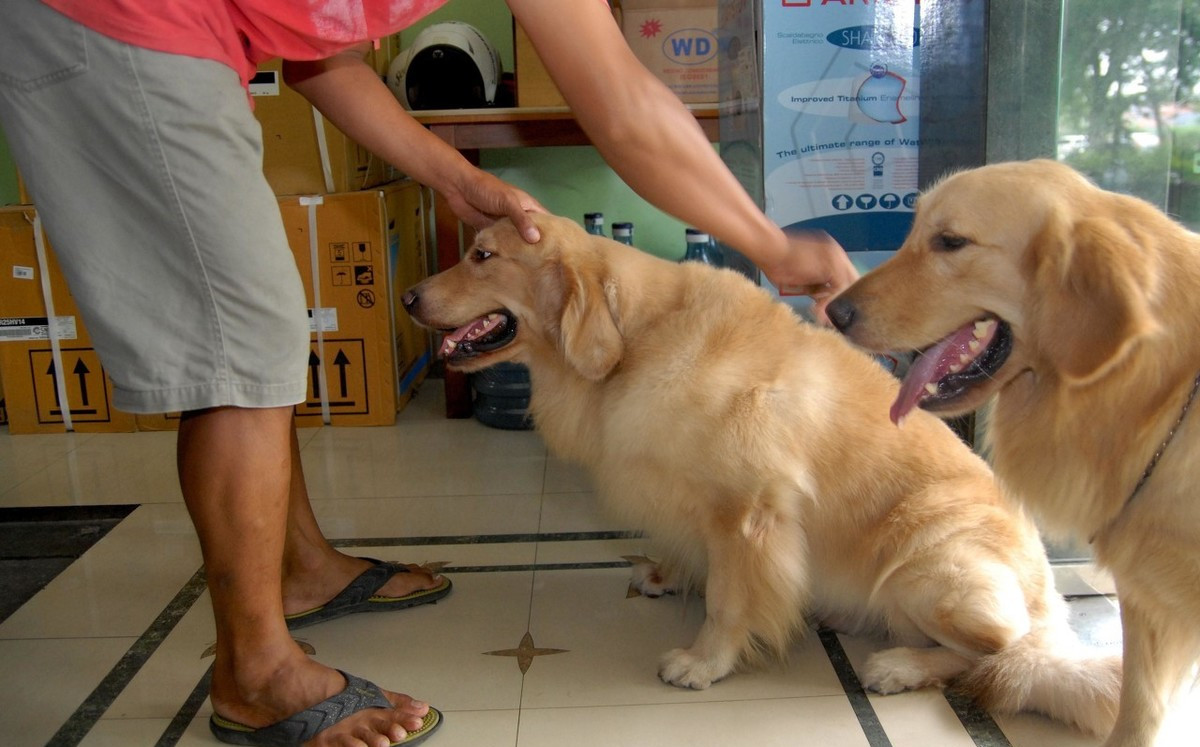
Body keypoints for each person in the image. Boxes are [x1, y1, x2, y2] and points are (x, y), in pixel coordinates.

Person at [0, 1, 859, 745]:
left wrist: (451, 172)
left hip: (189, 35)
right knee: (239, 334)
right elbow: (626, 109)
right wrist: (771, 243)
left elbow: (309, 49)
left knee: (255, 326)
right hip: (115, 22)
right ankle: (255, 673)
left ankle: (298, 569)